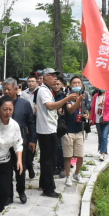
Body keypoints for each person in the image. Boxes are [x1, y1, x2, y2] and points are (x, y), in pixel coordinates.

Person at [0, 77, 36, 203]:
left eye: (9, 89)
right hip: (4, 142)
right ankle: (8, 195)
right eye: (4, 89)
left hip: (20, 140)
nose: (6, 92)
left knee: (20, 168)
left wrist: (33, 140)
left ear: (16, 89)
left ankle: (21, 191)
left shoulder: (25, 104)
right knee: (7, 170)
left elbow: (31, 123)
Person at [36, 68, 77, 197]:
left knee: (46, 159)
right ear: (45, 77)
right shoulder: (43, 90)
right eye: (52, 76)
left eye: (56, 76)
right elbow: (50, 106)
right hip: (47, 130)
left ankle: (44, 183)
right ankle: (48, 188)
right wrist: (67, 99)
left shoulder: (48, 90)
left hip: (48, 128)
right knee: (50, 160)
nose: (55, 78)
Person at [62, 76, 87, 186]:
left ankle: (76, 174)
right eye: (74, 83)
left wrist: (86, 116)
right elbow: (71, 110)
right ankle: (68, 176)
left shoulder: (84, 97)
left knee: (80, 155)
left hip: (79, 130)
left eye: (78, 83)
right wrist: (78, 101)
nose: (77, 85)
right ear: (70, 85)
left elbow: (86, 111)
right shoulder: (67, 97)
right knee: (68, 156)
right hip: (68, 131)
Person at [90, 89, 109, 161]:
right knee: (100, 136)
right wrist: (91, 118)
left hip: (107, 119)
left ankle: (103, 153)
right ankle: (103, 150)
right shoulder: (96, 96)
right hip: (98, 119)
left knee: (104, 136)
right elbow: (93, 108)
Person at [53, 77, 66, 178]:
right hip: (52, 123)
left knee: (60, 146)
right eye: (55, 84)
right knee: (55, 146)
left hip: (62, 124)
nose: (56, 86)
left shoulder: (64, 96)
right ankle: (57, 166)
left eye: (58, 84)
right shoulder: (51, 95)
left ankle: (63, 167)